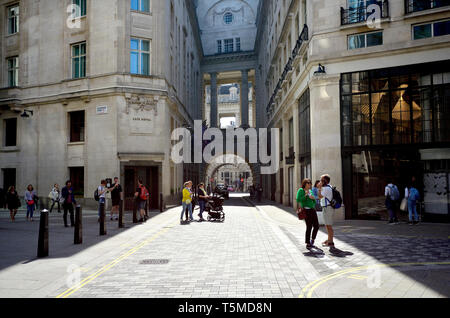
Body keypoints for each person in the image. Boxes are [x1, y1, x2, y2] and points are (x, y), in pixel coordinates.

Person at [297, 179, 320, 249]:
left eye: (310, 183)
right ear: (304, 184)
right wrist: (305, 195)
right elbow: (298, 199)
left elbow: (314, 201)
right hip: (306, 210)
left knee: (316, 225)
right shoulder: (301, 190)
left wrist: (313, 198)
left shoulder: (310, 191)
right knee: (309, 226)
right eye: (308, 183)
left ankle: (312, 240)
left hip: (312, 210)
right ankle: (308, 243)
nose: (309, 185)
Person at [318, 174, 335, 247]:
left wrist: (319, 188)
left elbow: (320, 196)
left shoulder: (326, 188)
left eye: (321, 180)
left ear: (325, 181)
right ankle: (329, 239)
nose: (320, 182)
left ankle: (331, 242)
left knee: (329, 226)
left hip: (327, 208)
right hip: (328, 208)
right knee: (327, 225)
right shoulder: (329, 187)